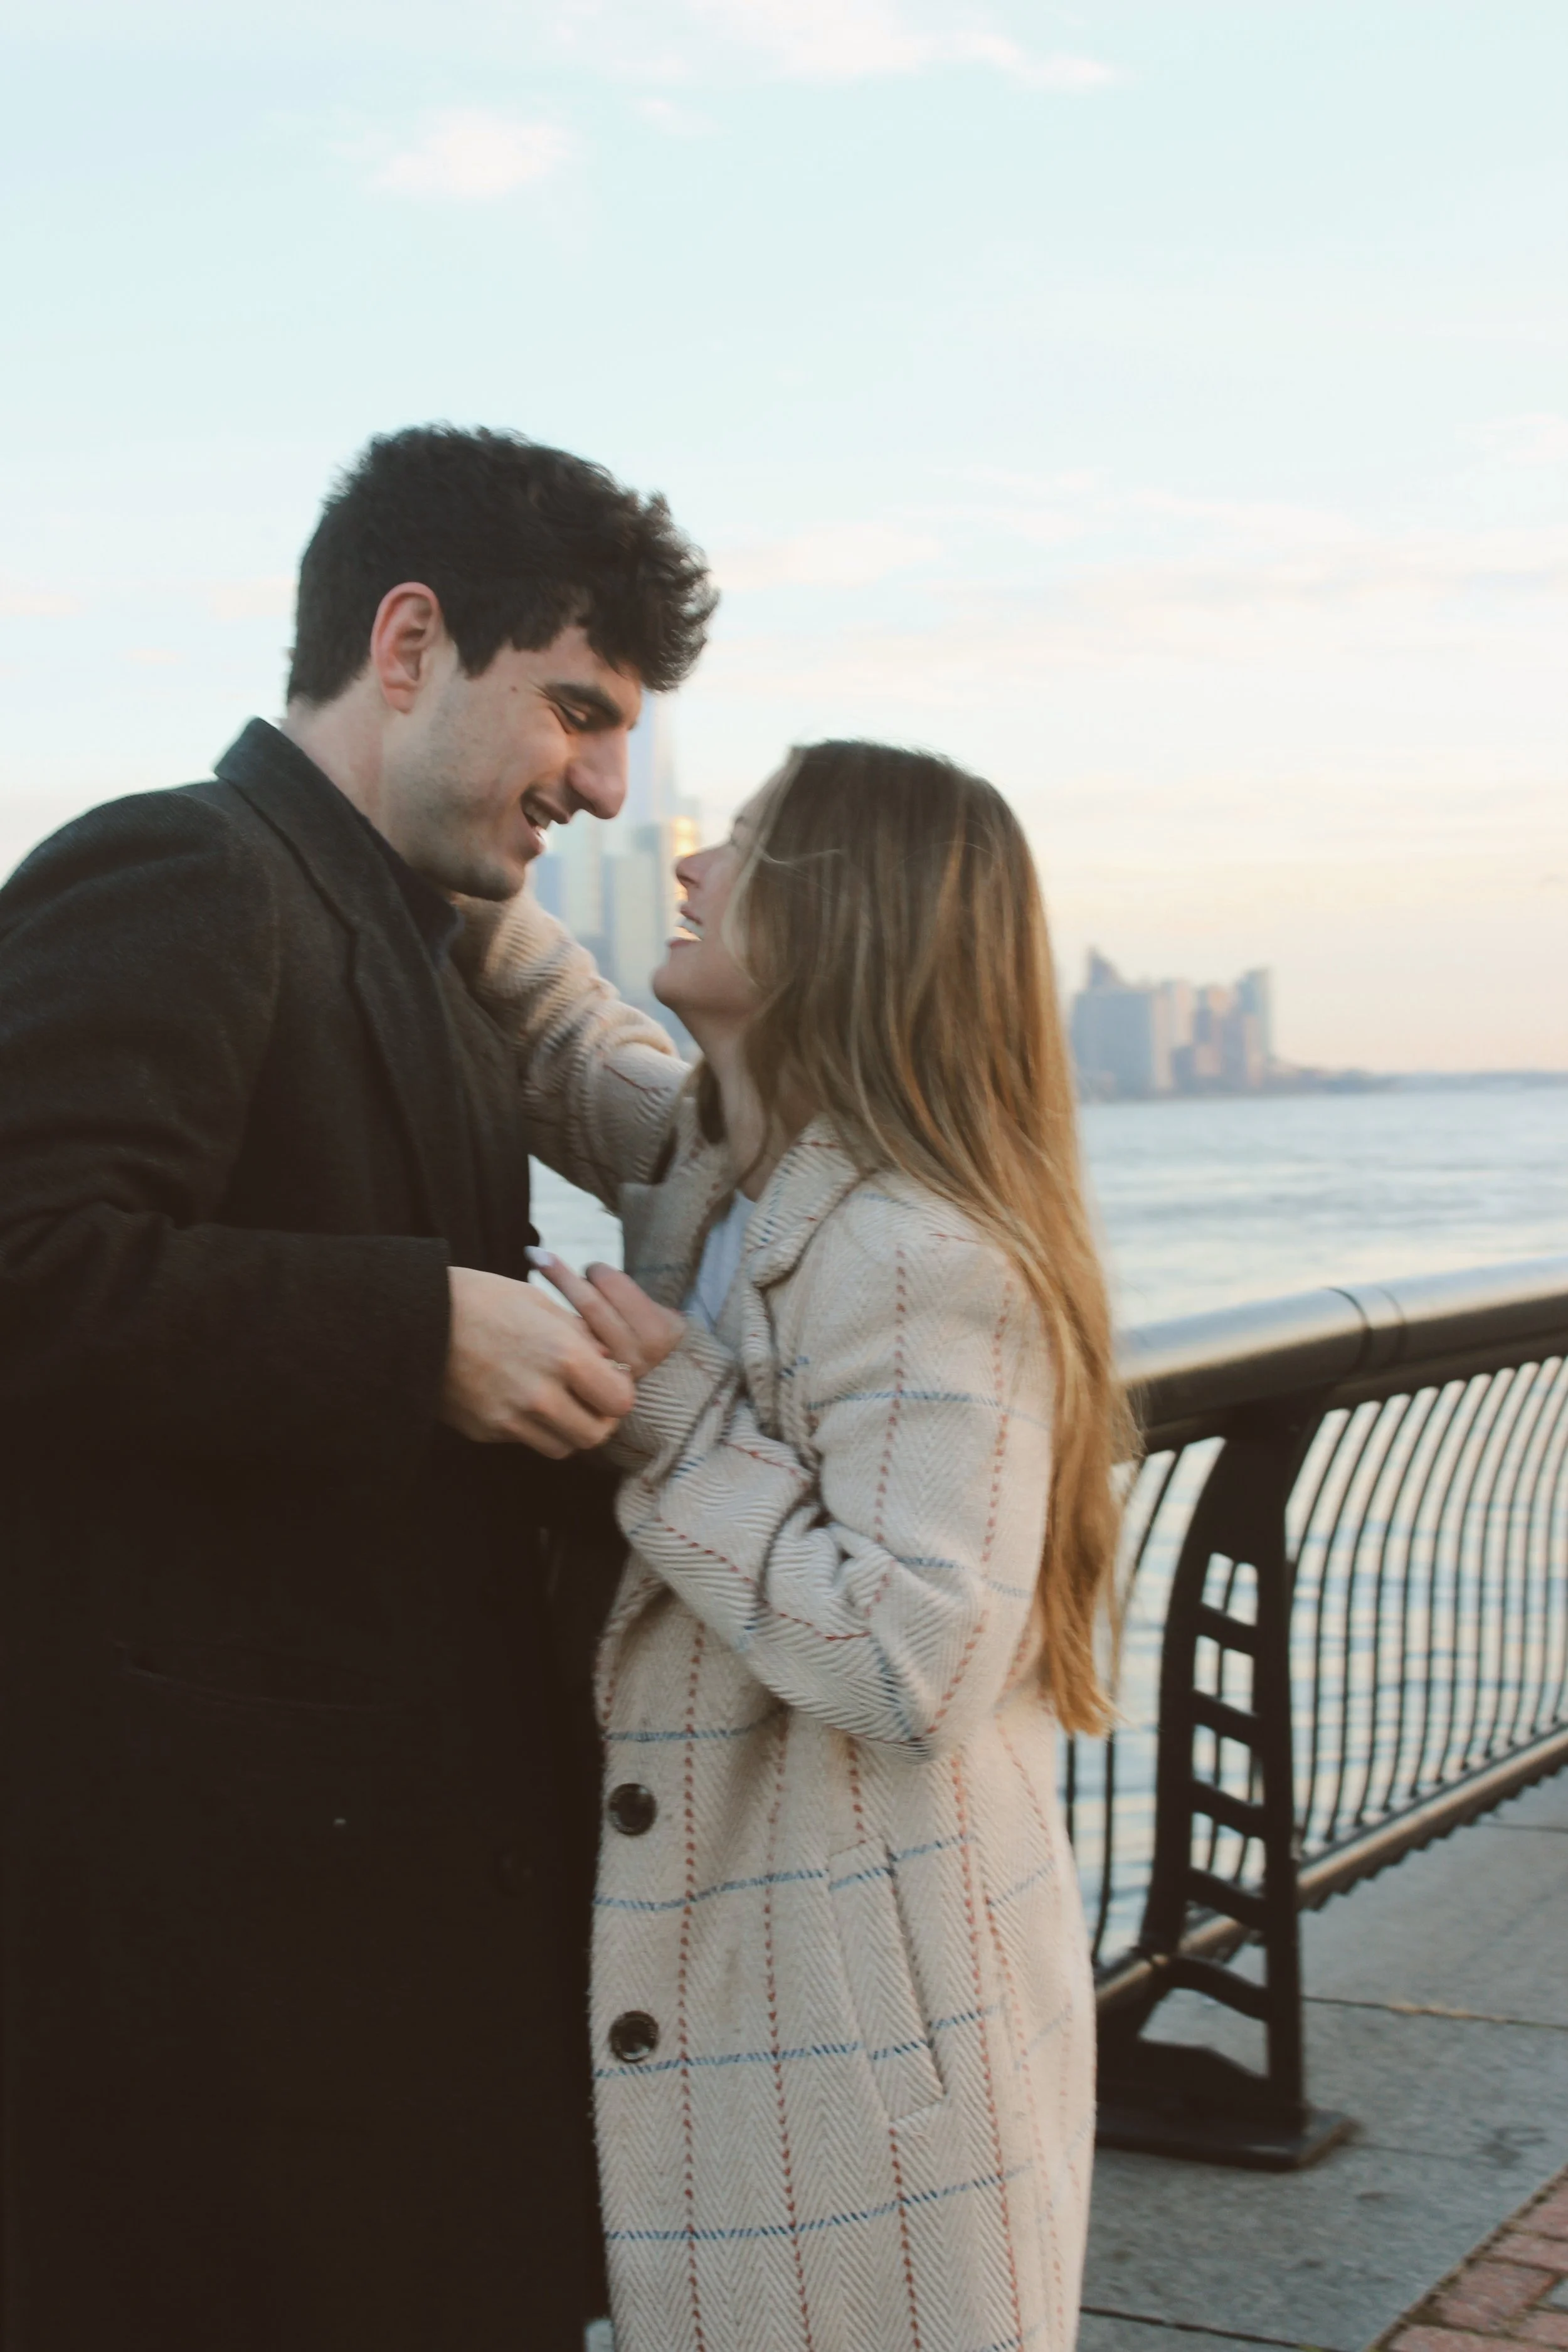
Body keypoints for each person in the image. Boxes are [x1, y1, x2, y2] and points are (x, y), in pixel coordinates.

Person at [0, 425, 714, 2351]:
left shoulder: (409, 925)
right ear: (408, 642)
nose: (603, 778)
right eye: (576, 707)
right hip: (219, 2007)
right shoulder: (185, 867)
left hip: (369, 1963)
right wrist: (418, 1330)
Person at [461, 738, 1128, 2352]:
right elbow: (560, 1040)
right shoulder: (725, 1162)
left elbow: (912, 1659)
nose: (686, 864)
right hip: (771, 1981)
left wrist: (670, 1423)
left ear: (840, 920)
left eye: (740, 849)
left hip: (862, 2037)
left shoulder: (917, 1248)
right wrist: (436, 834)